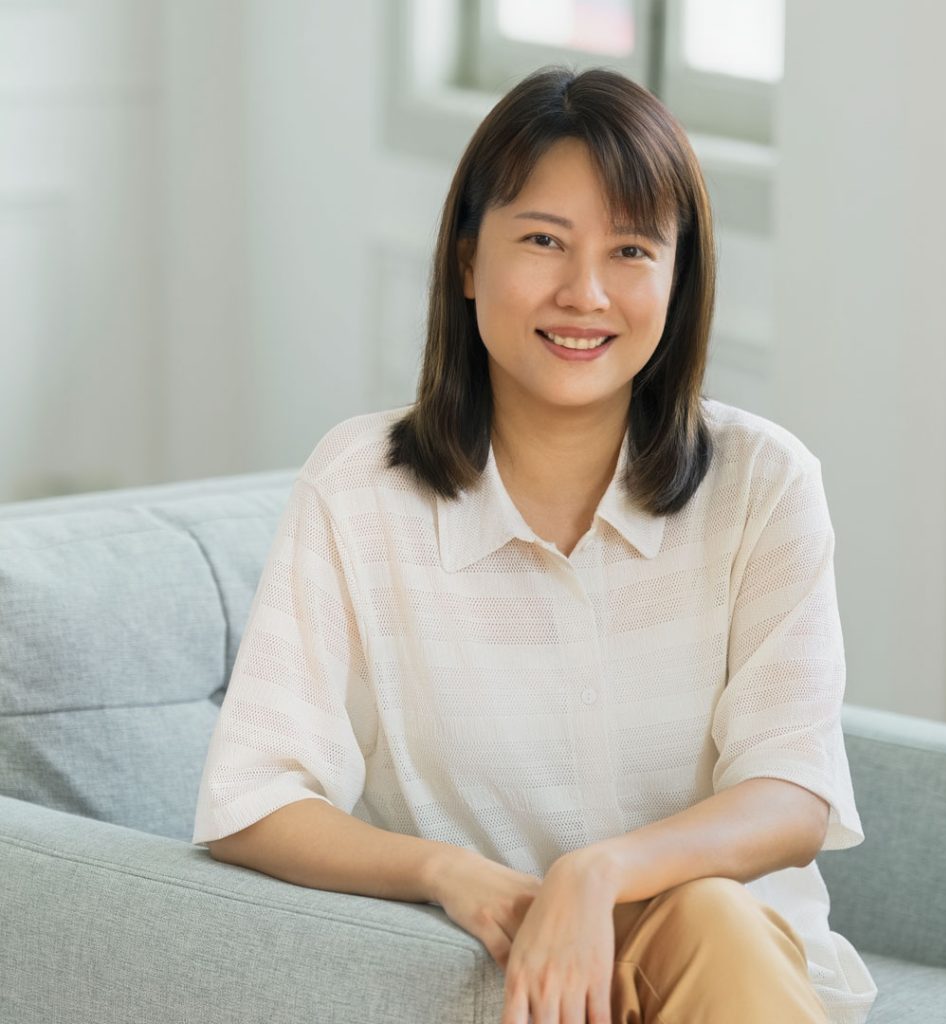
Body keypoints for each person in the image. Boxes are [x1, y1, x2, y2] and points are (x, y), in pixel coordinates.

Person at [192, 65, 879, 1024]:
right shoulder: (360, 489)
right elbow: (253, 799)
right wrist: (450, 874)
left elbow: (791, 793)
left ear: (678, 284)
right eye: (544, 241)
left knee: (713, 920)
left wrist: (597, 875)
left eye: (632, 250)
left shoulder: (764, 485)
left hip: (725, 972)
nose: (584, 291)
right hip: (485, 977)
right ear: (468, 261)